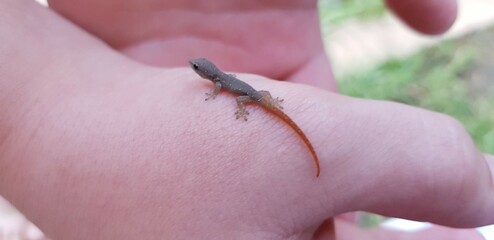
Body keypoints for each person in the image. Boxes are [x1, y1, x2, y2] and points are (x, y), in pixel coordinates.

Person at [0, 0, 492, 239]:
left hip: (254, 97)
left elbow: (230, 91)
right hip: (256, 93)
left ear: (205, 73)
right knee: (261, 104)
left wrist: (235, 103)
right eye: (200, 72)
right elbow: (230, 86)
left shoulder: (220, 86)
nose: (198, 74)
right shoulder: (222, 79)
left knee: (262, 109)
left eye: (199, 71)